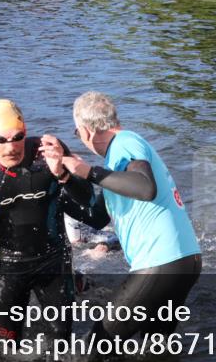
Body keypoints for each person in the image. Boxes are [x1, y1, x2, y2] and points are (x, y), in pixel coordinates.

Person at [58, 92, 201, 346]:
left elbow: (146, 187)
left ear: (87, 131)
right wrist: (64, 182)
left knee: (98, 346)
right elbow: (95, 217)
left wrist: (89, 172)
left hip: (161, 262)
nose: (80, 139)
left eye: (77, 133)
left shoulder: (124, 141)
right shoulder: (116, 163)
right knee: (154, 352)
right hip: (184, 261)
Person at [0, 99, 102, 342]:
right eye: (1, 140)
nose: (11, 147)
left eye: (18, 137)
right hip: (9, 265)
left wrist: (63, 174)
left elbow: (87, 202)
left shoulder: (47, 150)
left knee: (62, 342)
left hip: (54, 260)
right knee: (3, 344)